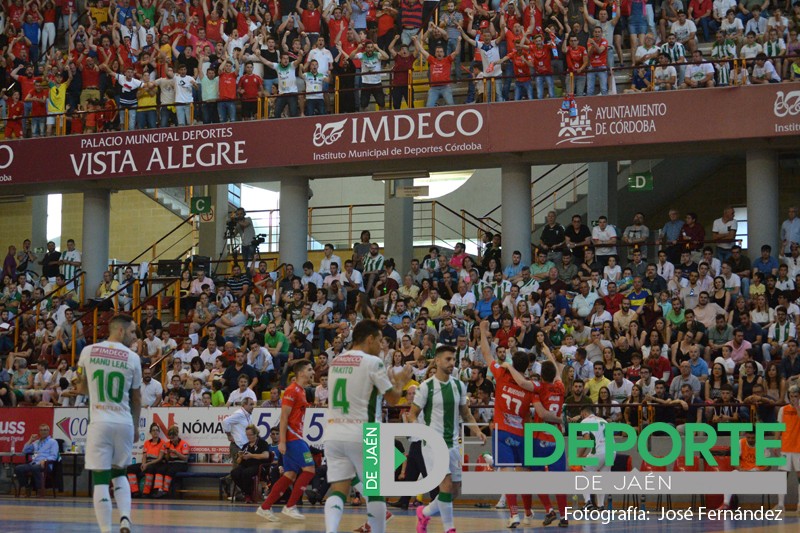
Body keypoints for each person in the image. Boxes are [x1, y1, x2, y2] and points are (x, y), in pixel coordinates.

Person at [323, 320, 412, 533]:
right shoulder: (373, 362)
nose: (382, 346)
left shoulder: (336, 360)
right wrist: (400, 382)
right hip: (366, 432)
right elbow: (392, 399)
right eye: (380, 341)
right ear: (369, 339)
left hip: (334, 432)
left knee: (338, 490)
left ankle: (330, 530)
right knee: (374, 491)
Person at [476, 320, 562, 528]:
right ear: (526, 366)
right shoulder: (531, 387)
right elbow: (541, 411)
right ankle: (538, 510)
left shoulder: (502, 373)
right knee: (526, 475)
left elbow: (487, 354)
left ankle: (515, 514)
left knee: (508, 474)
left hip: (503, 432)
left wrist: (482, 332)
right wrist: (558, 418)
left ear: (512, 363)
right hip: (523, 435)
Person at [74, 314, 142, 533]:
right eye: (132, 332)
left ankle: (105, 529)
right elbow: (137, 397)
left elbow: (81, 388)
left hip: (100, 421)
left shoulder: (88, 351)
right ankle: (125, 519)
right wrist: (136, 425)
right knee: (120, 473)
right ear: (120, 331)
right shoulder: (132, 358)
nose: (134, 337)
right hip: (123, 422)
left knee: (101, 479)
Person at [412, 344, 486, 533]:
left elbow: (466, 414)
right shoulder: (426, 387)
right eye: (448, 359)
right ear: (437, 361)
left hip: (453, 444)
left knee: (454, 491)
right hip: (433, 444)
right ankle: (449, 529)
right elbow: (412, 414)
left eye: (453, 359)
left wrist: (477, 431)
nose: (452, 363)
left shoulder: (458, 385)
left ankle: (425, 512)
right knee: (445, 485)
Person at [258, 359, 317, 521]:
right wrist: (282, 441)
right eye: (310, 369)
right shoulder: (292, 391)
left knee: (290, 474)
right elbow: (283, 417)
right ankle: (290, 506)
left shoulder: (302, 390)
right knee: (310, 469)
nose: (313, 372)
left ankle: (265, 507)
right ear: (301, 373)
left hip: (296, 437)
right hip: (292, 438)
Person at [577, 404, 615, 510]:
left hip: (600, 451)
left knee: (584, 473)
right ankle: (601, 505)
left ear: (584, 413)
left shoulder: (585, 421)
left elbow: (587, 441)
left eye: (581, 415)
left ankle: (588, 502)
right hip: (611, 451)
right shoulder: (603, 420)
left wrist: (578, 456)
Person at [14, 423, 60, 497]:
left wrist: (45, 460)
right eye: (41, 430)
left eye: (45, 430)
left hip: (46, 464)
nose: (43, 432)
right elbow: (24, 451)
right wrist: (31, 439)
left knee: (35, 467)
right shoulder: (36, 442)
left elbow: (54, 456)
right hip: (34, 463)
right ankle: (27, 487)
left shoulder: (53, 442)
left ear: (48, 431)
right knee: (18, 468)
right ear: (39, 432)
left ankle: (40, 489)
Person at [232, 424, 274, 503]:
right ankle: (248, 492)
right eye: (247, 435)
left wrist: (251, 456)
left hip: (258, 465)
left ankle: (248, 494)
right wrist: (240, 457)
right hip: (245, 465)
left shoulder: (262, 443)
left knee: (246, 473)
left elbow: (266, 455)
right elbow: (238, 461)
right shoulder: (246, 445)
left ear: (256, 434)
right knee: (234, 473)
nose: (248, 437)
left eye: (250, 435)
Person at [775, 384, 800, 512]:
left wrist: (797, 409)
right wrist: (776, 444)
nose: (793, 398)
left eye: (796, 396)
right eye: (791, 396)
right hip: (785, 446)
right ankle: (780, 505)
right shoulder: (783, 410)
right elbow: (779, 428)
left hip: (799, 448)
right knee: (782, 476)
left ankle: (799, 505)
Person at [150, 425, 190, 498]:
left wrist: (176, 453)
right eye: (170, 438)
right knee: (160, 469)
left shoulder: (184, 444)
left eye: (173, 438)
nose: (172, 440)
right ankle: (158, 489)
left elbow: (185, 458)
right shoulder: (167, 444)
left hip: (181, 464)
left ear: (177, 435)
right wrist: (168, 453)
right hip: (171, 463)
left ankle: (165, 490)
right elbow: (167, 459)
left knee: (170, 471)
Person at [126, 423, 164, 497]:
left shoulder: (162, 443)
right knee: (130, 468)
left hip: (155, 464)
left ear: (159, 432)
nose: (155, 432)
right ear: (150, 432)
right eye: (153, 430)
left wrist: (147, 464)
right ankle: (135, 491)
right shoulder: (147, 443)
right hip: (146, 463)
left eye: (157, 430)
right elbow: (144, 456)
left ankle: (146, 492)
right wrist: (143, 464)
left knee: (150, 468)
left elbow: (159, 458)